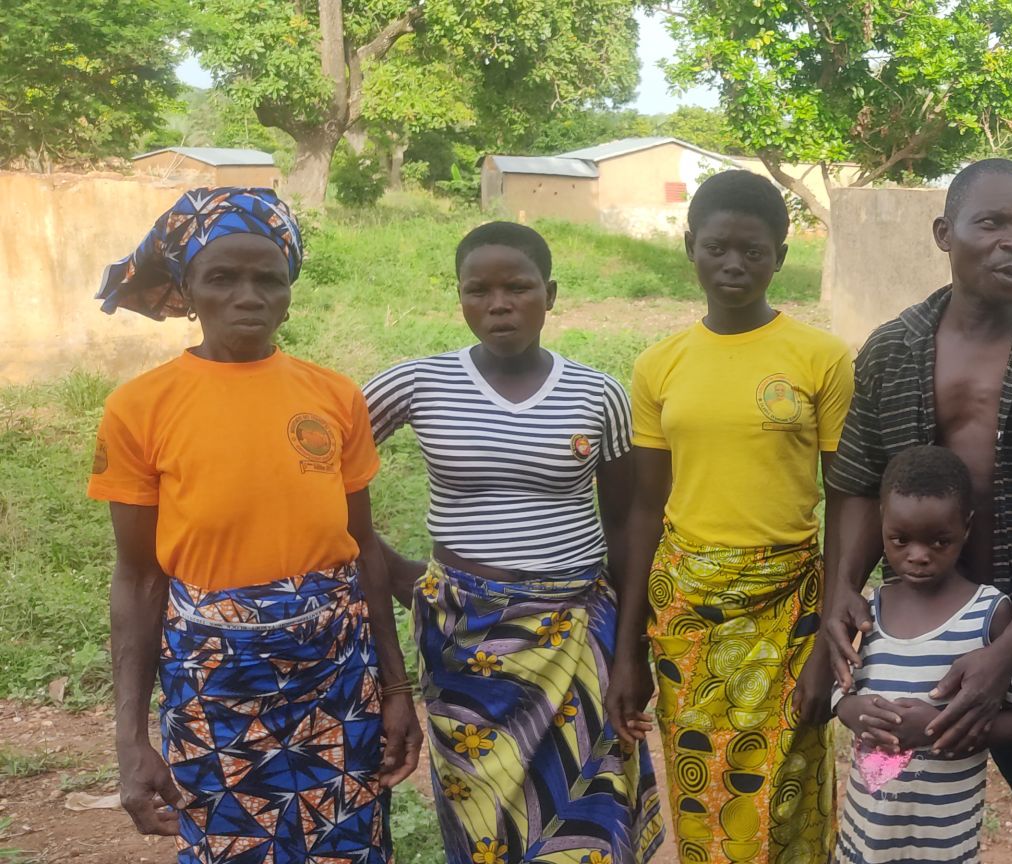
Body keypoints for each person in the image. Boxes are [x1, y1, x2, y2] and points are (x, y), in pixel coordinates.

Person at [89, 188, 421, 862]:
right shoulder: (139, 408)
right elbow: (139, 577)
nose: (248, 296)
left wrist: (395, 689)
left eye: (268, 278)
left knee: (348, 845)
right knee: (228, 846)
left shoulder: (333, 396)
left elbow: (363, 549)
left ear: (289, 293)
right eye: (222, 277)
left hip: (337, 682)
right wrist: (129, 740)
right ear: (188, 290)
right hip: (214, 690)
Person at [821, 158, 1012, 864]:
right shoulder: (892, 348)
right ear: (944, 233)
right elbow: (857, 483)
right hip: (914, 633)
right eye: (991, 222)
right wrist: (840, 589)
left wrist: (1006, 651)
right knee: (902, 821)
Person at [361, 221, 664, 863]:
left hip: (577, 635)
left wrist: (631, 649)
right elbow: (320, 468)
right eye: (479, 290)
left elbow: (627, 524)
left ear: (549, 294)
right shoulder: (418, 384)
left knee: (588, 804)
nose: (499, 305)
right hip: (462, 639)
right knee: (482, 814)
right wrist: (394, 570)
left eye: (518, 288)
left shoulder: (598, 394)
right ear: (460, 299)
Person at [623, 170, 848, 862]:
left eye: (753, 251)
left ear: (781, 256)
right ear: (690, 247)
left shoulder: (821, 358)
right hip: (686, 614)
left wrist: (828, 640)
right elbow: (644, 509)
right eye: (717, 248)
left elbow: (846, 501)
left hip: (789, 610)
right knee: (702, 793)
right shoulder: (659, 365)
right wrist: (628, 647)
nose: (733, 265)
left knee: (788, 789)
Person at [832, 446, 1012, 864]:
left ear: (966, 528)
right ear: (882, 523)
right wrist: (851, 710)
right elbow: (842, 689)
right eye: (900, 540)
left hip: (945, 842)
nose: (918, 555)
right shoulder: (870, 608)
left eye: (939, 541)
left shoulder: (989, 613)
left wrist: (936, 729)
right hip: (866, 839)